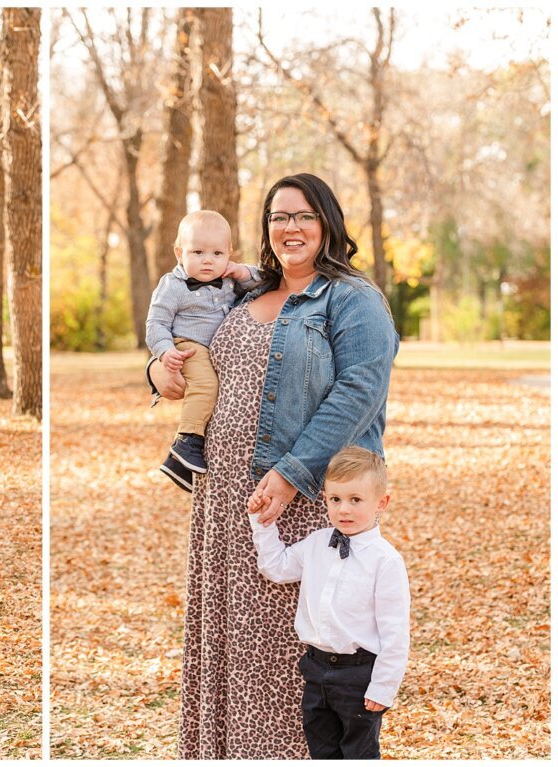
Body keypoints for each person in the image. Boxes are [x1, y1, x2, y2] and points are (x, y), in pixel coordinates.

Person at [147, 173, 399, 758]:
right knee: (230, 643)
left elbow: (360, 390)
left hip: (303, 501)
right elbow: (192, 345)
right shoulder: (242, 290)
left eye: (304, 215)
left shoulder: (352, 298)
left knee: (291, 655)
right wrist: (158, 375)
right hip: (223, 502)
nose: (290, 227)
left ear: (328, 223)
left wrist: (289, 476)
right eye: (279, 216)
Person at [249, 446, 410, 759]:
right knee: (322, 752)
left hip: (359, 675)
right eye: (336, 499)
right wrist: (262, 521)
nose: (344, 510)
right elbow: (277, 568)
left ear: (382, 503)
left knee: (359, 754)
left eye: (355, 500)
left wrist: (383, 687)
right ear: (325, 498)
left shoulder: (386, 561)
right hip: (316, 670)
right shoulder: (317, 543)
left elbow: (395, 633)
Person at [145, 210, 259, 486]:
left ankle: (180, 464)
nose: (208, 260)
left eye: (218, 253)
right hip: (188, 347)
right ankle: (187, 440)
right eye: (197, 252)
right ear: (178, 252)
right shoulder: (172, 285)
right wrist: (164, 352)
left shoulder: (231, 280)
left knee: (213, 390)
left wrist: (244, 272)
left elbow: (266, 281)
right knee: (206, 385)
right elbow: (155, 323)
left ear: (229, 253)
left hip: (214, 354)